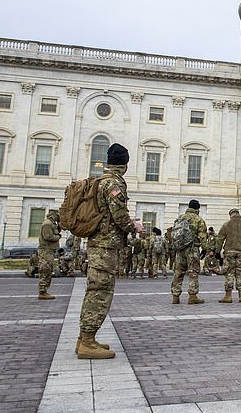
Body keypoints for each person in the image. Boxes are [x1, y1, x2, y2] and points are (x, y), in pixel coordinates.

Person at [76, 143, 138, 359]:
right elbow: (119, 216)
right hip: (105, 246)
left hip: (98, 244)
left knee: (95, 289)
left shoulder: (99, 181)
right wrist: (133, 227)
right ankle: (87, 341)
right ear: (125, 163)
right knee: (100, 292)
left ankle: (85, 338)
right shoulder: (113, 184)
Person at [171, 199, 209, 304]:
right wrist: (206, 249)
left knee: (178, 272)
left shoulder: (180, 218)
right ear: (197, 209)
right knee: (193, 272)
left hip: (180, 250)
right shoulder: (198, 219)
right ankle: (192, 296)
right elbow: (202, 237)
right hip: (192, 249)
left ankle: (175, 296)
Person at [217, 208, 241, 303]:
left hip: (229, 252)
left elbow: (220, 238)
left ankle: (228, 296)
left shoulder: (226, 224)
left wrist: (217, 250)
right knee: (240, 273)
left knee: (229, 273)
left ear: (230, 214)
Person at [38, 209, 61, 299]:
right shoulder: (47, 224)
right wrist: (58, 237)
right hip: (45, 251)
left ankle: (44, 290)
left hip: (49, 250)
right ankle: (42, 291)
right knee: (45, 270)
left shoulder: (52, 224)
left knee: (48, 270)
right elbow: (48, 236)